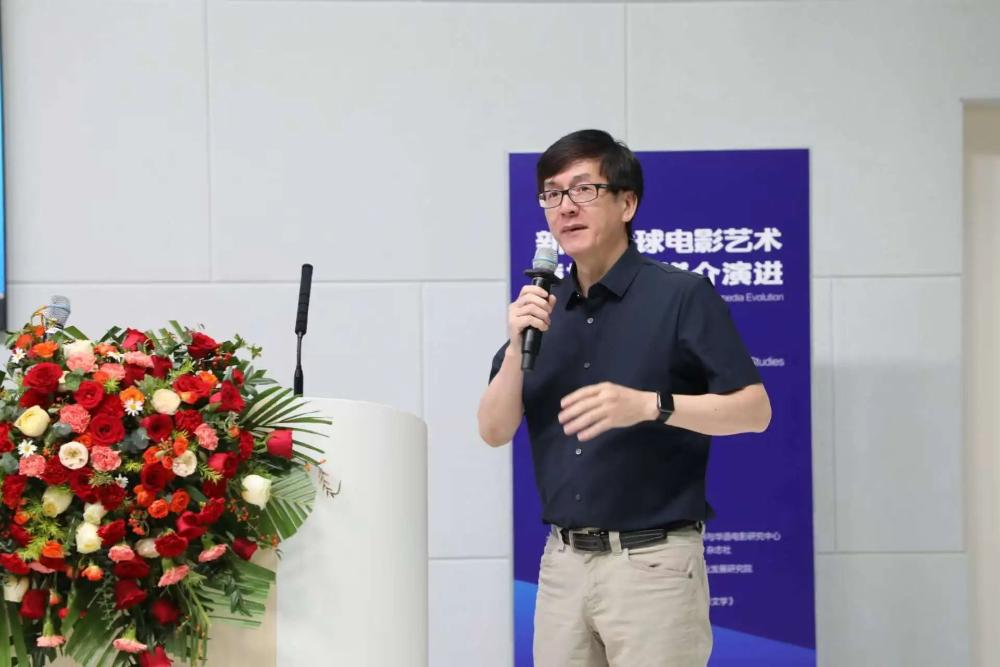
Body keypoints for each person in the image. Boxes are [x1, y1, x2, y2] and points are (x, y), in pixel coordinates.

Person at [477, 129, 772, 667]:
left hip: (653, 565)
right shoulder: (542, 307)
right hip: (563, 566)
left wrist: (649, 406)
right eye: (552, 194)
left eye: (584, 189)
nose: (566, 207)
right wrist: (518, 344)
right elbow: (493, 430)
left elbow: (755, 411)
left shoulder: (680, 295)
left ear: (627, 203)